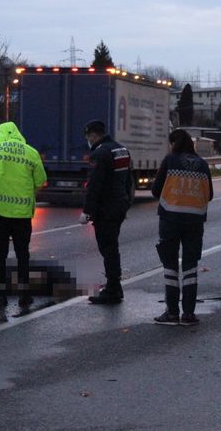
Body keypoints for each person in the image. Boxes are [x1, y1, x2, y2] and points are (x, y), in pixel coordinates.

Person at [0, 121, 47, 307]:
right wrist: (27, 191)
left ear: (1, 133)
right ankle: (25, 295)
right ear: (18, 134)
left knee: (0, 254)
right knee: (23, 254)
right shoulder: (31, 152)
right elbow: (41, 180)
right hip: (21, 213)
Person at [151, 129, 214, 326]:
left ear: (173, 143)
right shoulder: (202, 165)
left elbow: (155, 190)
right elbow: (209, 194)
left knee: (170, 267)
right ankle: (188, 313)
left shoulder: (170, 161)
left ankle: (171, 312)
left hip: (170, 219)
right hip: (195, 222)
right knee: (190, 267)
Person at [79, 120, 133, 305]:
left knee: (108, 249)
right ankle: (115, 287)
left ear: (93, 135)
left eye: (88, 137)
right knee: (112, 247)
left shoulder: (99, 153)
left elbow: (94, 186)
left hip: (106, 209)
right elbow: (129, 180)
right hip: (119, 205)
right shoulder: (121, 150)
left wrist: (87, 211)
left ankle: (112, 289)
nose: (88, 140)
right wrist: (126, 203)